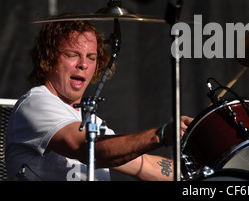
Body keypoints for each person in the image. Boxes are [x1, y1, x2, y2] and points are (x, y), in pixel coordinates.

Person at [5, 18, 193, 181]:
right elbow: (87, 148)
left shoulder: (92, 121)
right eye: (72, 55)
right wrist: (160, 135)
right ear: (48, 57)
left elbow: (145, 166)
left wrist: (202, 171)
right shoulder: (36, 103)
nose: (83, 65)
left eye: (91, 57)